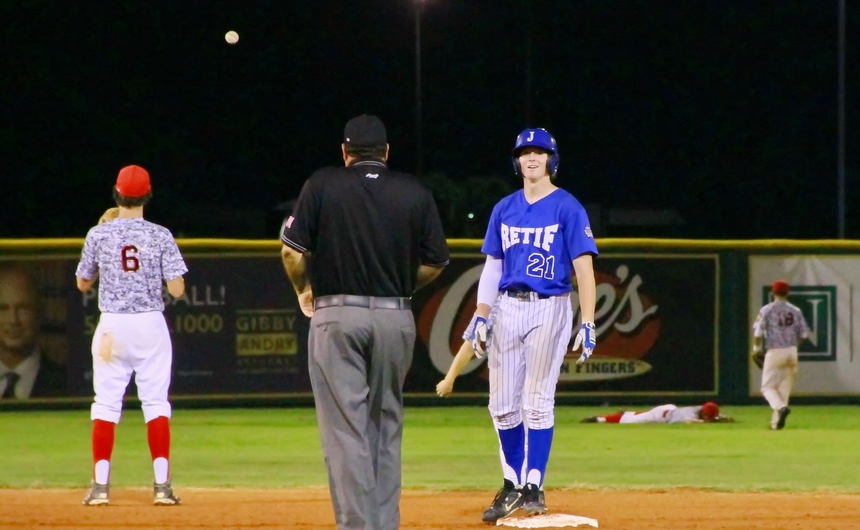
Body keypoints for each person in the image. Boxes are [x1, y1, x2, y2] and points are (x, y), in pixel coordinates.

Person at [280, 114, 449, 530]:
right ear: (386, 152)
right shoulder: (414, 191)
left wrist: (303, 289)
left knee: (345, 431)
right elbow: (437, 261)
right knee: (385, 425)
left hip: (338, 315)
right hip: (396, 317)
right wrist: (397, 280)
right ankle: (384, 524)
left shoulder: (323, 183)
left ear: (345, 151)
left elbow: (291, 253)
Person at [468, 127, 598, 523]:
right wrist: (481, 313)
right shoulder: (504, 208)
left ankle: (534, 486)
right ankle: (511, 484)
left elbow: (585, 271)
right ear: (516, 160)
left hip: (550, 306)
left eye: (539, 152)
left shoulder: (567, 207)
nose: (531, 158)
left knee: (537, 401)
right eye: (525, 152)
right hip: (508, 306)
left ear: (551, 160)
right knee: (503, 407)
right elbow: (493, 266)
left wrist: (588, 320)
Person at [74, 164, 188, 506]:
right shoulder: (160, 234)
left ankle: (100, 488)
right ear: (147, 196)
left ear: (116, 194)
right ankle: (161, 488)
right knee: (155, 403)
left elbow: (82, 282)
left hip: (112, 325)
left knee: (106, 404)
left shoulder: (99, 234)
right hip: (150, 325)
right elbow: (178, 289)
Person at [0, 265, 67, 399]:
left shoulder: (69, 385)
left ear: (39, 313)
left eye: (23, 309)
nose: (13, 320)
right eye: (3, 309)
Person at [752, 279, 809, 430]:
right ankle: (776, 424)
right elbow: (803, 334)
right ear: (787, 293)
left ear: (773, 292)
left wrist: (755, 349)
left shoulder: (767, 309)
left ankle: (781, 408)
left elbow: (758, 331)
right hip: (791, 350)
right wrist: (794, 348)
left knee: (767, 388)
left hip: (775, 350)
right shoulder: (795, 310)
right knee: (783, 389)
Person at [579, 402, 732, 424]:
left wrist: (722, 419)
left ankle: (627, 412)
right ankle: (598, 419)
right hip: (661, 414)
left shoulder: (700, 409)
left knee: (640, 415)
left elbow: (711, 416)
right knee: (630, 421)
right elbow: (690, 422)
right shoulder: (691, 415)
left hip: (669, 409)